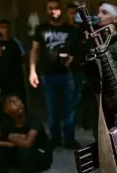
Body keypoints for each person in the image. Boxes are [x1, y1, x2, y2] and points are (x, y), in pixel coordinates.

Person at [29, 0, 80, 149]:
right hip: (47, 74)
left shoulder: (70, 29)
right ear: (47, 11)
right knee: (51, 109)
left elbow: (77, 51)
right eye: (50, 9)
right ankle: (55, 138)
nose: (53, 11)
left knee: (70, 109)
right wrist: (32, 71)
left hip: (67, 74)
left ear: (61, 10)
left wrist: (71, 58)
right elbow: (34, 50)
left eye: (56, 8)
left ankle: (69, 138)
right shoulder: (41, 29)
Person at [83, 2, 117, 138]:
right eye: (99, 12)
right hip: (99, 97)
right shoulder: (94, 40)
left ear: (115, 19)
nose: (99, 15)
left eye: (104, 12)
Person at [0, 19, 26, 104]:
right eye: (3, 28)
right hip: (1, 79)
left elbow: (23, 56)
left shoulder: (16, 42)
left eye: (7, 28)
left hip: (16, 78)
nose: (5, 30)